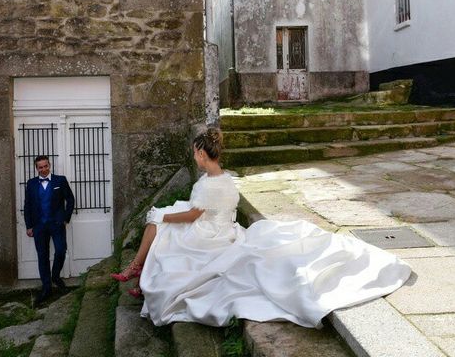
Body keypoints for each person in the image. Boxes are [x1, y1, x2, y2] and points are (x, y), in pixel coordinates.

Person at [112, 128, 412, 328]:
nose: (193, 156)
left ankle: (138, 271)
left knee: (161, 225)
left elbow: (192, 216)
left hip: (209, 234)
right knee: (160, 221)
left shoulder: (210, 186)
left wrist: (165, 218)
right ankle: (138, 271)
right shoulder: (224, 177)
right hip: (220, 227)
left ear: (203, 155)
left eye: (194, 152)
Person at [24, 155, 75, 306]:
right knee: (42, 256)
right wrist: (29, 226)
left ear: (49, 165)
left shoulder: (60, 180)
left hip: (57, 223)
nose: (44, 169)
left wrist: (66, 218)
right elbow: (27, 205)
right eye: (40, 167)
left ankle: (55, 276)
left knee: (60, 250)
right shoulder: (31, 183)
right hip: (39, 226)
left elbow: (70, 199)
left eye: (46, 166)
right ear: (37, 168)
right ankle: (46, 288)